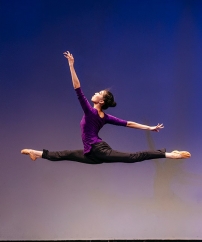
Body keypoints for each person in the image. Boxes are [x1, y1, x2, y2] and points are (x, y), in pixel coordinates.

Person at [21, 51, 191, 164]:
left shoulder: (91, 112)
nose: (95, 93)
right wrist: (150, 128)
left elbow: (77, 88)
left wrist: (71, 66)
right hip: (91, 154)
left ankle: (170, 154)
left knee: (132, 157)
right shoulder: (103, 116)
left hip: (99, 150)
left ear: (101, 101)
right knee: (64, 154)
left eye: (99, 92)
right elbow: (129, 123)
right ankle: (35, 152)